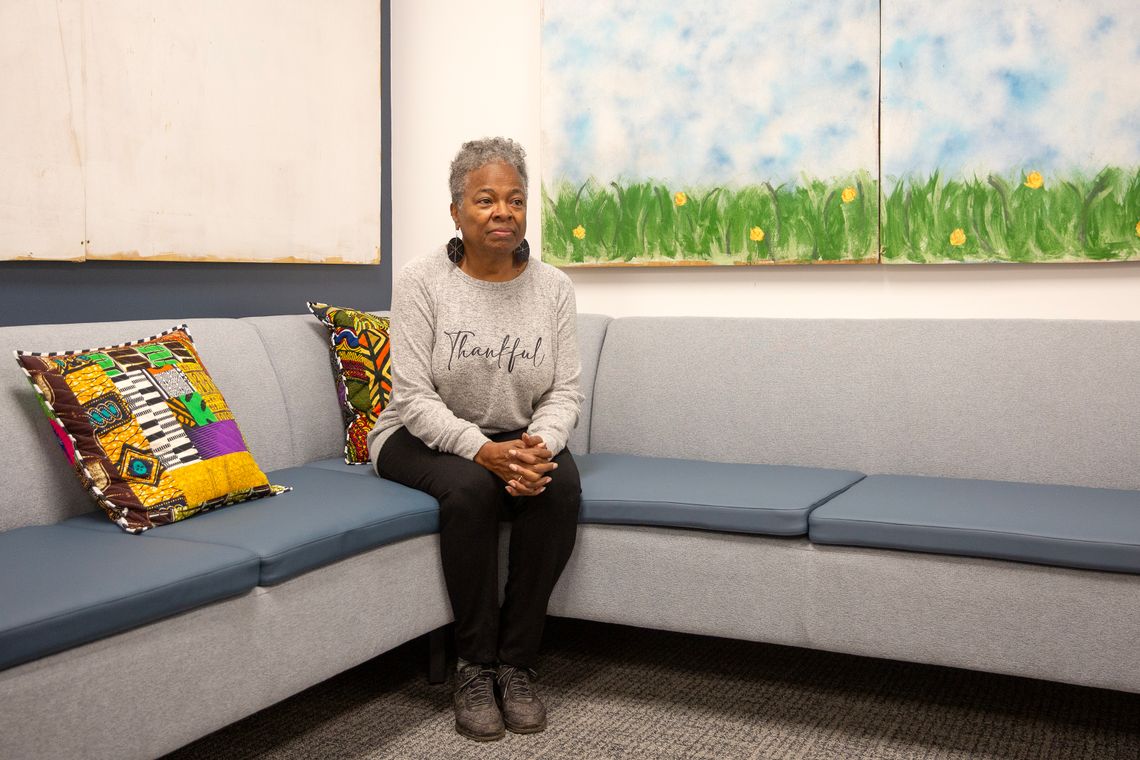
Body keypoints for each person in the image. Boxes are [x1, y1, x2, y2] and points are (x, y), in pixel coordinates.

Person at [367, 137, 583, 742]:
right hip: (416, 434)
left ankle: (516, 665)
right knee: (471, 491)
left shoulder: (553, 288)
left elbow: (564, 392)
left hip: (515, 434)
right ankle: (474, 666)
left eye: (515, 200)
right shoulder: (422, 282)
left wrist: (537, 446)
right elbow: (411, 395)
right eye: (485, 199)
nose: (503, 212)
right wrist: (484, 452)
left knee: (559, 489)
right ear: (457, 210)